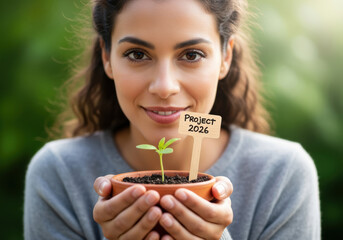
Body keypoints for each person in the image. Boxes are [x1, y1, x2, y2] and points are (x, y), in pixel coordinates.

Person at [24, 0, 321, 239]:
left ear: (225, 58)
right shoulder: (59, 173)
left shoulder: (282, 174)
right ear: (106, 57)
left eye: (191, 54)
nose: (165, 87)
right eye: (137, 54)